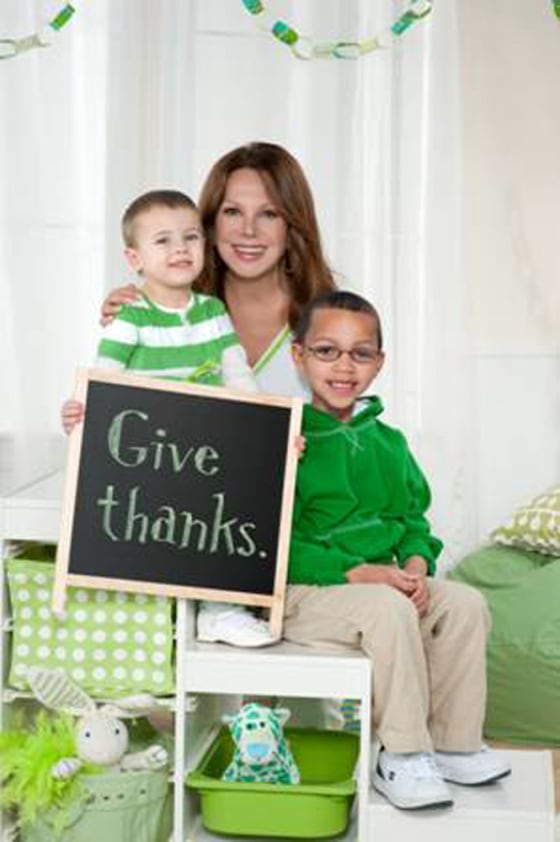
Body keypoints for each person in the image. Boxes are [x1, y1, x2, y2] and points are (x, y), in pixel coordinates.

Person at [99, 142, 337, 647]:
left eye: (268, 213)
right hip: (182, 532)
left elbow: (337, 445)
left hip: (292, 541)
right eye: (232, 212)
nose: (248, 231)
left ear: (292, 225)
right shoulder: (157, 313)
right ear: (209, 224)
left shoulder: (325, 320)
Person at [284, 290, 511, 810]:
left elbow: (411, 521)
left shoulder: (389, 442)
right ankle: (402, 753)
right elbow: (275, 546)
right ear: (299, 356)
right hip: (306, 591)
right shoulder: (288, 439)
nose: (344, 367)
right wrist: (357, 573)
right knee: (387, 606)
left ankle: (453, 744)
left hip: (380, 583)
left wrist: (413, 566)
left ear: (379, 363)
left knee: (466, 603)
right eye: (326, 351)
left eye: (360, 354)